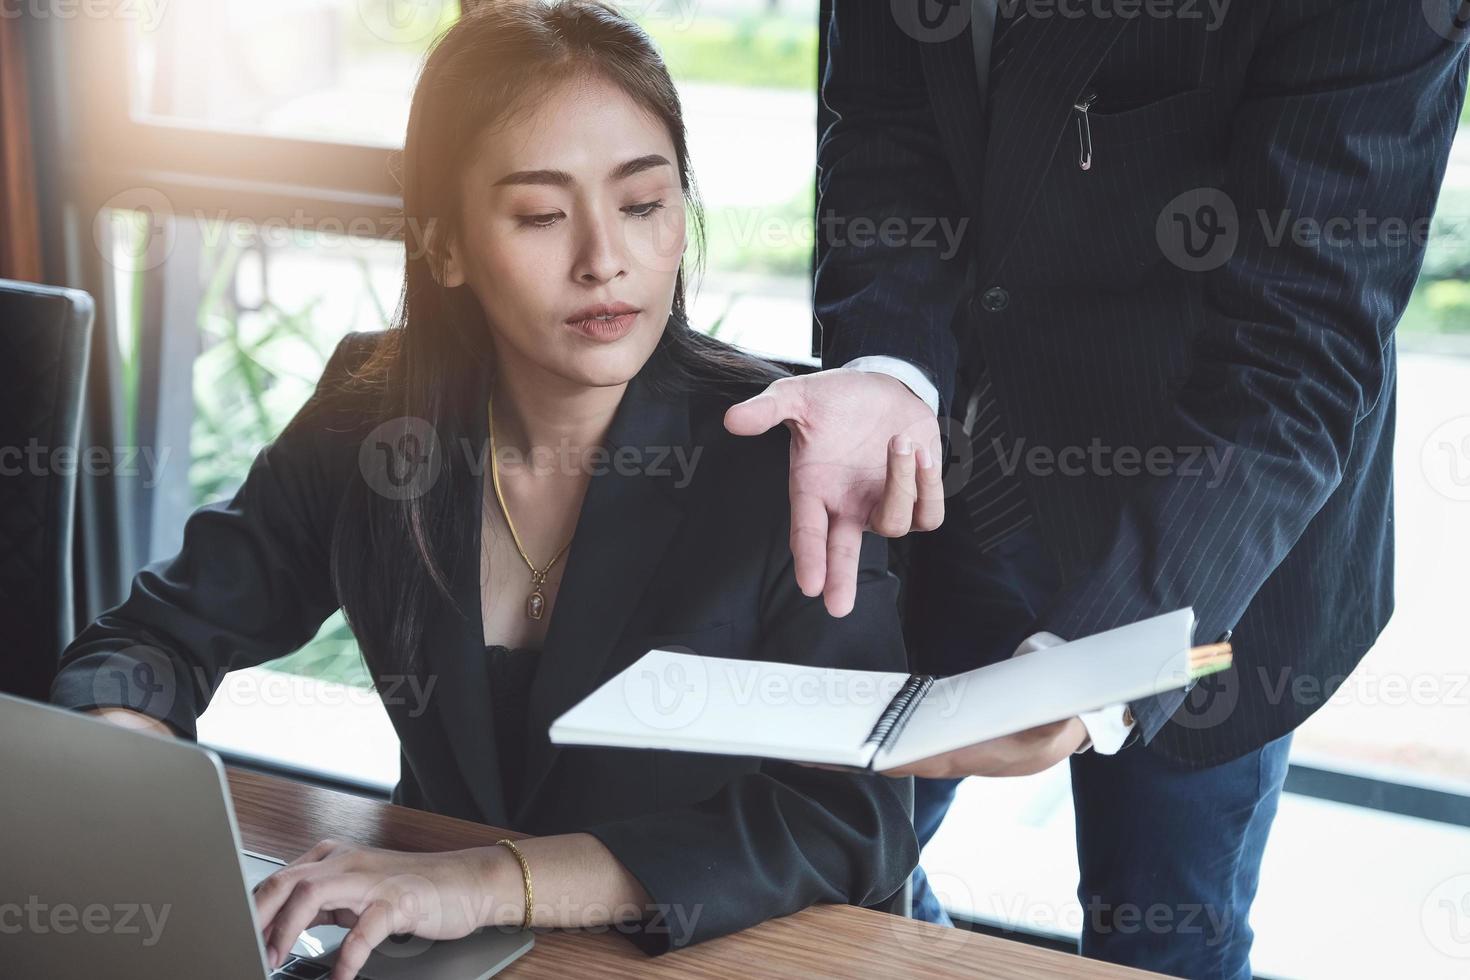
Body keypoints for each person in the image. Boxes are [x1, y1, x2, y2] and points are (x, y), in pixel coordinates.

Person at [49, 3, 921, 975]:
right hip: (454, 954)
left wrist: (486, 877)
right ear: (447, 245)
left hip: (744, 952)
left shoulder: (789, 451)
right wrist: (121, 781)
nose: (605, 258)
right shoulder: (372, 416)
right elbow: (153, 639)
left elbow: (850, 819)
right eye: (542, 214)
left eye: (642, 203)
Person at [723, 3, 1470, 978]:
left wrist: (1106, 654)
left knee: (1162, 938)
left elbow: (1300, 348)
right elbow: (882, 122)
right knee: (832, 879)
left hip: (1209, 543)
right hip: (942, 484)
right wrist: (887, 363)